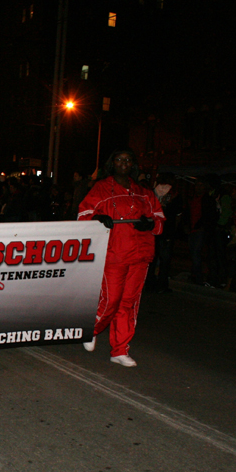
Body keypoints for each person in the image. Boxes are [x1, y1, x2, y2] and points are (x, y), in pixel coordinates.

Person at [77, 149, 164, 366]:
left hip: (140, 255)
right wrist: (98, 218)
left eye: (127, 160)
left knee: (129, 303)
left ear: (133, 164)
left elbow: (160, 220)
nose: (123, 163)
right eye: (119, 159)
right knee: (111, 300)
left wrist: (151, 223)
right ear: (112, 163)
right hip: (114, 254)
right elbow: (83, 215)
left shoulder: (143, 192)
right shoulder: (101, 188)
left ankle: (119, 350)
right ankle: (91, 329)